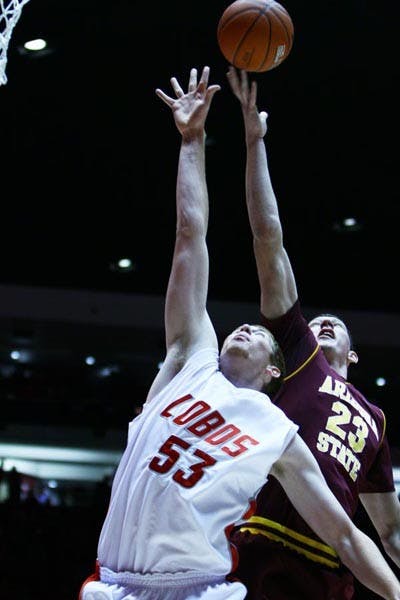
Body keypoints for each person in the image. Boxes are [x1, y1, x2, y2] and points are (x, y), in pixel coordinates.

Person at [79, 65, 400, 600]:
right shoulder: (188, 361)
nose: (245, 326)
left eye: (257, 332)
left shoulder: (277, 430)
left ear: (276, 370)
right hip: (114, 583)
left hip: (200, 588)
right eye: (241, 327)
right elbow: (190, 236)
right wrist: (192, 139)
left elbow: (347, 534)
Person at [226, 66, 400, 599]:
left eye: (337, 324)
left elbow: (390, 529)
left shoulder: (375, 420)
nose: (323, 322)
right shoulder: (301, 357)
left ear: (355, 355)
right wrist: (255, 143)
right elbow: (267, 239)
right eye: (318, 320)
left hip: (332, 560)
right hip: (262, 542)